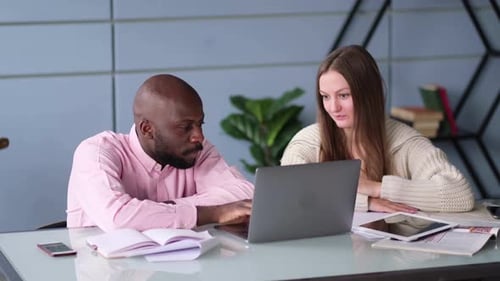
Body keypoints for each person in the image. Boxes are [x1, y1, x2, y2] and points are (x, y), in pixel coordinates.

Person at [280, 45, 475, 213]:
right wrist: (367, 202)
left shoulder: (404, 141)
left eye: (344, 95)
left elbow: (459, 195)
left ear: (368, 95)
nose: (333, 107)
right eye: (325, 96)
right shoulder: (308, 142)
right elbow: (288, 196)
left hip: (394, 254)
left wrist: (376, 188)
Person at [67, 74, 253, 231]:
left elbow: (243, 194)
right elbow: (117, 217)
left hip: (183, 268)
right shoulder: (96, 152)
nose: (198, 135)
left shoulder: (195, 150)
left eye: (200, 124)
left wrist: (155, 211)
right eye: (185, 127)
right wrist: (213, 212)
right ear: (147, 129)